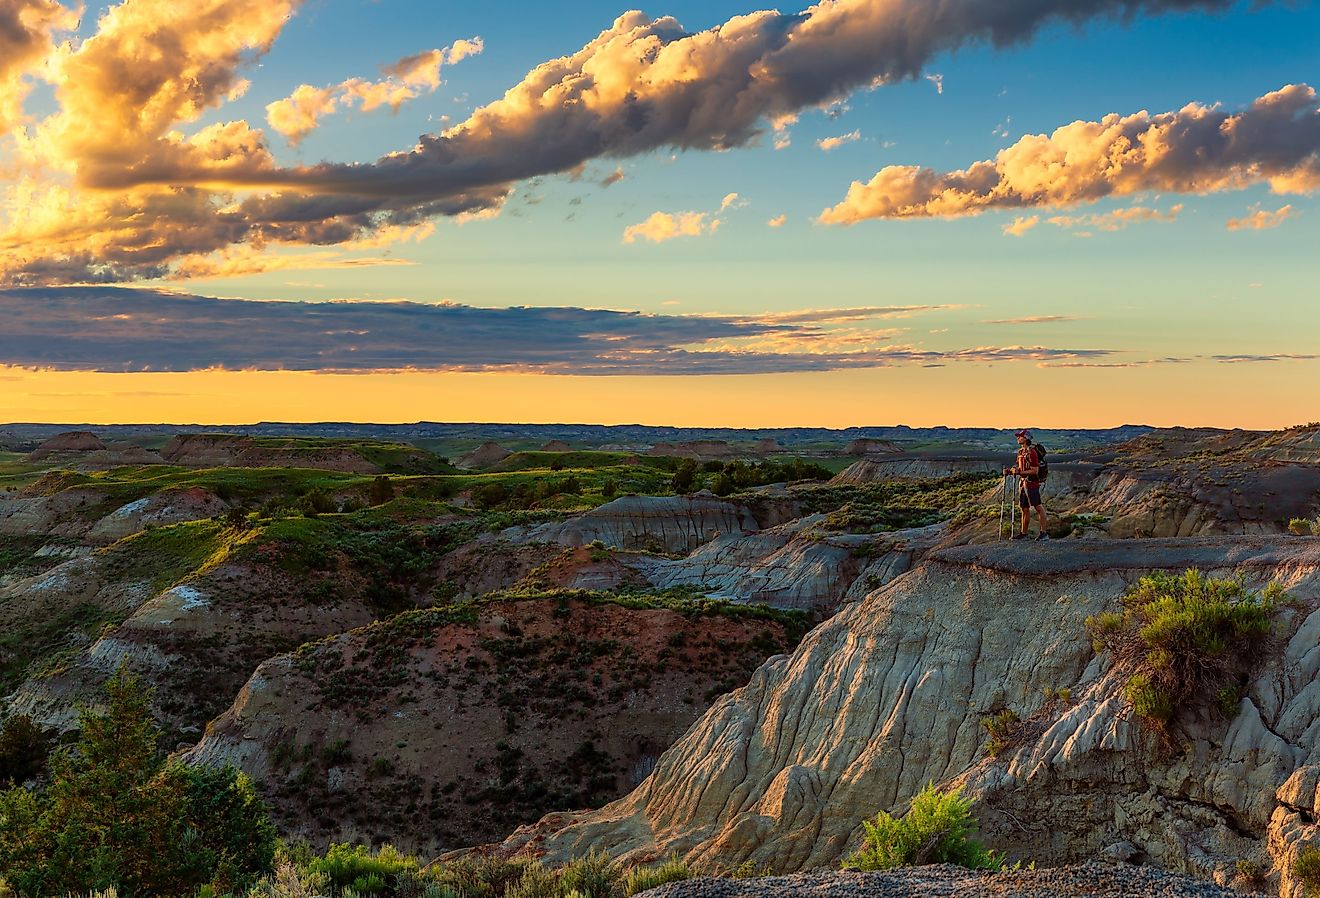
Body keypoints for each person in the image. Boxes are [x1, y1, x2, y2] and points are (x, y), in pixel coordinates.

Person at [1004, 429, 1048, 540]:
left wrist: (1019, 472)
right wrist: (1010, 471)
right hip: (1023, 484)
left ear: (1026, 438)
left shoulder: (1031, 453)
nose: (1018, 438)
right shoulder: (1020, 452)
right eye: (1018, 436)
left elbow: (1035, 471)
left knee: (1038, 507)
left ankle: (1044, 533)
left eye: (1020, 436)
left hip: (1032, 483)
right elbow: (1019, 467)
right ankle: (1024, 533)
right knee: (1024, 508)